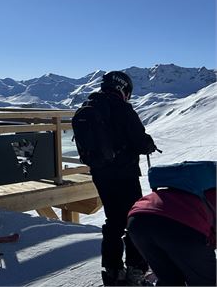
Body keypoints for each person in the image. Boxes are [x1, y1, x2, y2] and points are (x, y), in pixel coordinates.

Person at [86, 71, 158, 286]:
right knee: (134, 220)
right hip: (124, 175)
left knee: (113, 221)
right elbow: (138, 140)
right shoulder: (122, 109)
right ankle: (136, 270)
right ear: (123, 88)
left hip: (100, 174)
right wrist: (148, 144)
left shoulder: (90, 107)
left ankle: (112, 269)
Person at [127, 186, 216, 286]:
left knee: (169, 279)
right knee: (207, 281)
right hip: (180, 224)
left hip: (138, 219)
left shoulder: (201, 187)